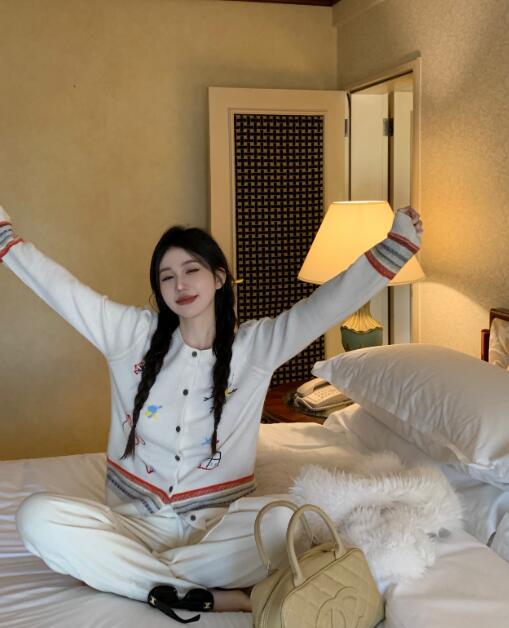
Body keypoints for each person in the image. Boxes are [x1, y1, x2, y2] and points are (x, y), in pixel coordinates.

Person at [0, 203, 422, 621]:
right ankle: (200, 595)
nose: (179, 284)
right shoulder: (129, 335)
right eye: (167, 276)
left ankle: (131, 574)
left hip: (215, 530)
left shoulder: (256, 348)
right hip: (136, 524)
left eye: (191, 270)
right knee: (36, 517)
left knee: (286, 522)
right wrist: (5, 238)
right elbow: (62, 291)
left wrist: (396, 246)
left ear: (219, 277)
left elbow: (325, 305)